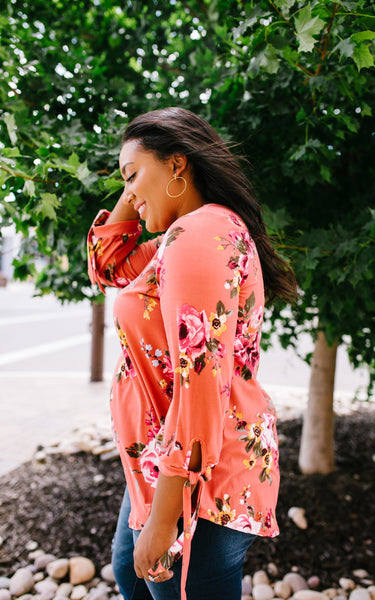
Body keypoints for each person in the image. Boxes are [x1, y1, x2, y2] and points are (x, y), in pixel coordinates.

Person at [87, 107, 298, 600]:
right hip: (164, 459)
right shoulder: (180, 236)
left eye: (133, 175)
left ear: (178, 165)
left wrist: (165, 519)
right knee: (129, 574)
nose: (129, 194)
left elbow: (201, 383)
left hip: (197, 478)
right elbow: (107, 264)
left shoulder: (200, 235)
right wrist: (138, 180)